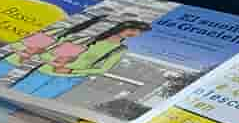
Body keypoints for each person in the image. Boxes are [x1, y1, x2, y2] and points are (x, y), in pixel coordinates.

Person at [8, 21, 150, 101]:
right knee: (11, 95)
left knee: (33, 103)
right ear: (122, 27)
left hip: (68, 79)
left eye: (138, 32)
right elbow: (49, 52)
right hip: (43, 71)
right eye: (132, 29)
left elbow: (102, 69)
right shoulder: (87, 38)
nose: (134, 33)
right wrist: (52, 61)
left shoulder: (120, 49)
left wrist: (71, 70)